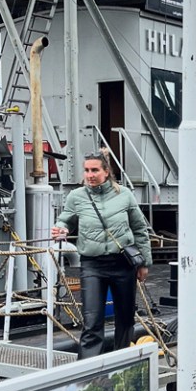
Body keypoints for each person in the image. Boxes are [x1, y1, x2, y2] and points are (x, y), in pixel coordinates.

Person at [52, 151, 152, 359]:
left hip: (122, 263)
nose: (90, 175)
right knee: (92, 320)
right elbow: (65, 220)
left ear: (106, 172)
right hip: (92, 265)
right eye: (87, 170)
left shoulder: (124, 195)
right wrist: (60, 229)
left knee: (125, 319)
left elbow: (140, 230)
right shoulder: (76, 197)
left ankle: (122, 362)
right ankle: (86, 374)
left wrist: (144, 264)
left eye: (95, 170)